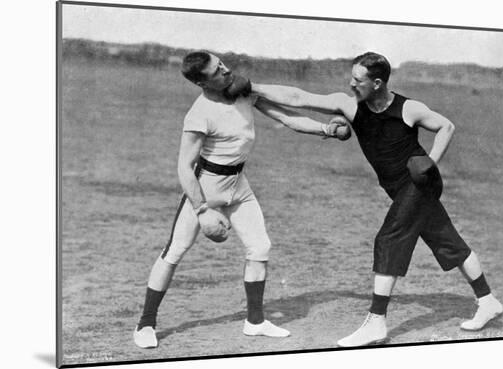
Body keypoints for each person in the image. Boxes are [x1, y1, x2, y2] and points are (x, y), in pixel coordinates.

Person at [242, 51, 503, 347]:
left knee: (389, 238)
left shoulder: (409, 108)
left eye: (358, 80)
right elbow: (298, 97)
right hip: (398, 187)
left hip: (420, 182)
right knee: (445, 238)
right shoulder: (351, 106)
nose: (351, 84)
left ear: (377, 83)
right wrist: (253, 87)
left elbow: (447, 126)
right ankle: (488, 300)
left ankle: (376, 321)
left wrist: (431, 161)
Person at [133, 51, 349, 349]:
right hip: (206, 187)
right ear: (201, 82)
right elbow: (184, 167)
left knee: (260, 247)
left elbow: (287, 116)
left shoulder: (244, 92)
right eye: (217, 71)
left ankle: (256, 322)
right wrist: (202, 209)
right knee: (175, 251)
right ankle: (145, 323)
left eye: (223, 64)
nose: (226, 71)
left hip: (238, 185)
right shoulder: (199, 113)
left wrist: (327, 130)